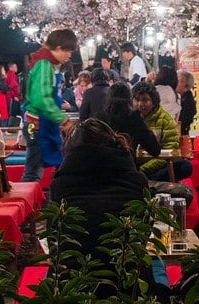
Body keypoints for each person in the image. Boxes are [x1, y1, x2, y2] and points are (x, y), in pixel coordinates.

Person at [49, 118, 167, 300]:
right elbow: (143, 237)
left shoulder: (60, 185)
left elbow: (54, 242)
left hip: (73, 287)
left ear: (71, 150)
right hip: (130, 286)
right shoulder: (137, 181)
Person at [21, 29, 78, 182]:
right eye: (68, 51)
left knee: (43, 168)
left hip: (44, 124)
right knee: (33, 172)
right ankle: (28, 204)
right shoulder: (44, 65)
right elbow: (41, 99)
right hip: (38, 125)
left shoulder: (50, 65)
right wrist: (63, 120)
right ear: (58, 48)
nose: (69, 55)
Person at [131, 81, 192, 181]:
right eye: (137, 100)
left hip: (156, 164)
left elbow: (170, 150)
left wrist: (143, 170)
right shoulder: (129, 118)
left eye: (145, 100)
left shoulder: (165, 120)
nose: (140, 104)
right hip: (134, 164)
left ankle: (145, 179)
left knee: (185, 166)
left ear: (154, 102)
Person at [101, 82, 161, 156]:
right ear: (130, 99)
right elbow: (155, 150)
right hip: (126, 165)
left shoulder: (99, 118)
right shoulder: (134, 119)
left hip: (100, 166)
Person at [176, 69, 197, 136]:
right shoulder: (167, 91)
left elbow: (190, 114)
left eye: (179, 81)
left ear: (186, 88)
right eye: (175, 79)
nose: (175, 82)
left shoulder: (188, 97)